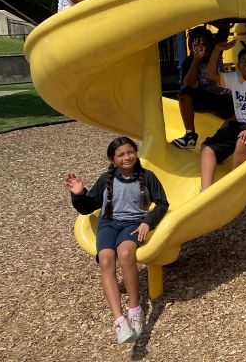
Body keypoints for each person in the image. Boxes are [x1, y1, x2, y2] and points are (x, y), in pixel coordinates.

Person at [64, 137, 169, 344]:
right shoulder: (106, 179)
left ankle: (134, 309)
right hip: (109, 224)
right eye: (120, 155)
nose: (126, 157)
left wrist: (148, 222)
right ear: (112, 159)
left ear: (136, 153)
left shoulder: (147, 177)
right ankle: (119, 320)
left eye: (130, 152)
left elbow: (162, 204)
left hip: (134, 224)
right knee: (105, 259)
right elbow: (88, 207)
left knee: (125, 254)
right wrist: (79, 194)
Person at [199, 43, 246, 190]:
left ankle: (232, 185)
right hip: (240, 125)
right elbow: (211, 75)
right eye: (243, 61)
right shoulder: (235, 78)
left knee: (242, 140)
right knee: (207, 148)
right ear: (238, 64)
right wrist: (216, 50)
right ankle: (206, 191)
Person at [171, 26, 234, 149]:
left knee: (236, 110)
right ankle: (190, 136)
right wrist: (196, 59)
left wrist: (208, 20)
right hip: (205, 98)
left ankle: (218, 142)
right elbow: (188, 85)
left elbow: (224, 27)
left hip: (224, 98)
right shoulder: (189, 62)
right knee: (184, 93)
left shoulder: (216, 49)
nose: (203, 48)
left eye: (205, 44)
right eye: (198, 45)